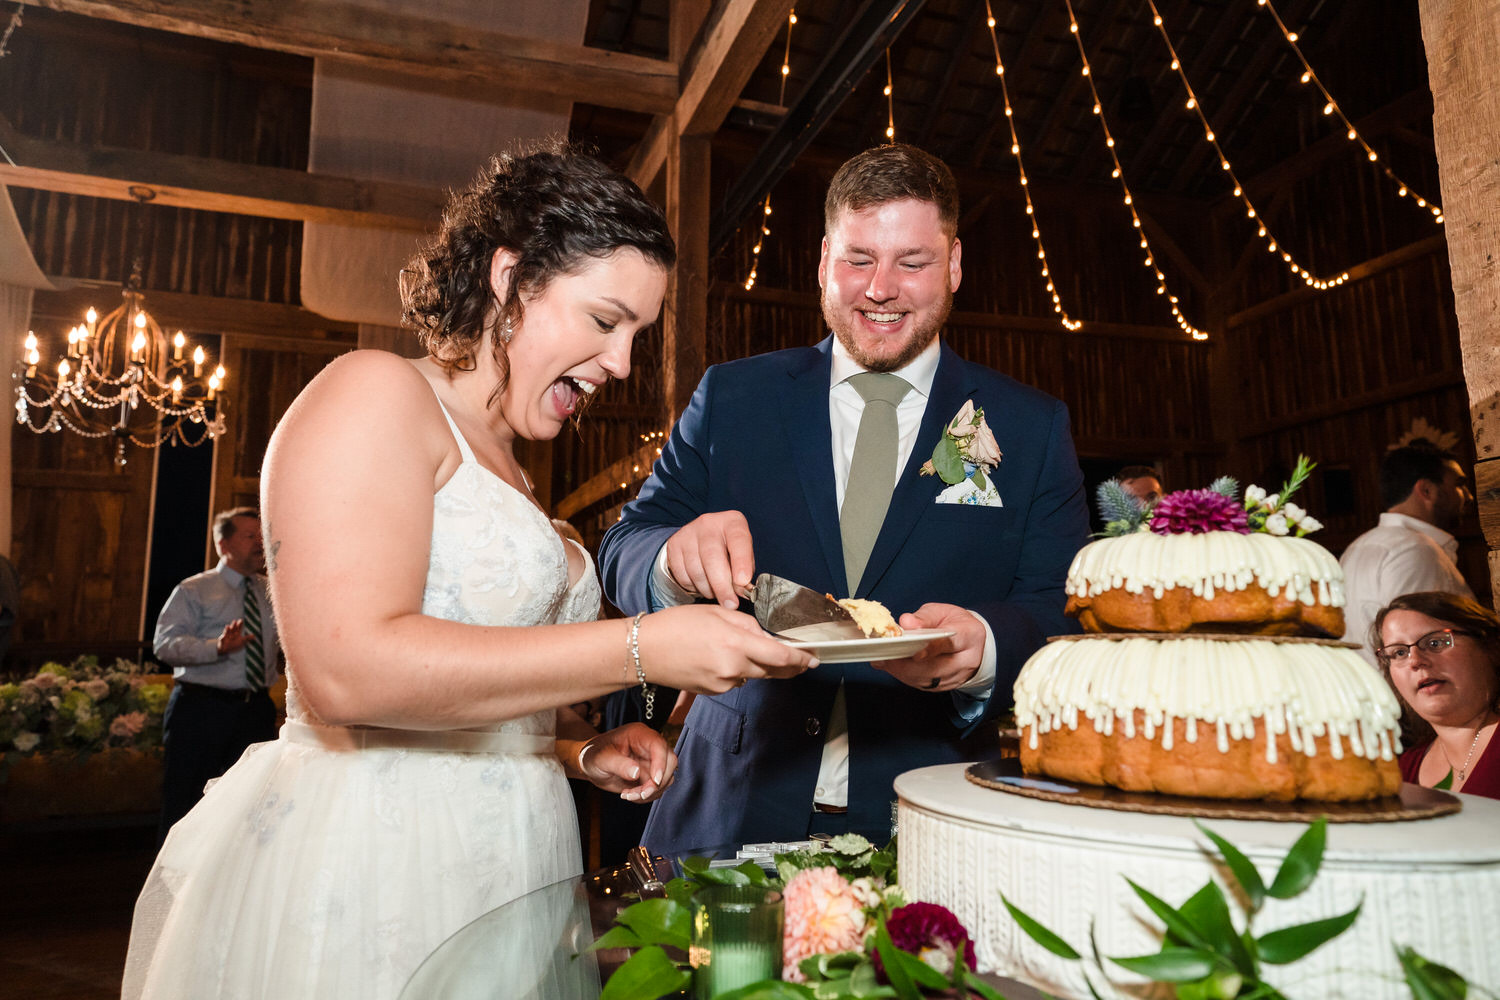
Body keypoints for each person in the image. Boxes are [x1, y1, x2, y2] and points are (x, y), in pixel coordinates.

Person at [123, 145, 815, 1000]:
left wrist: (574, 748)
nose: (624, 365)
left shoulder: (518, 471)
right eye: (606, 321)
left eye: (638, 335)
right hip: (379, 870)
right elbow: (347, 674)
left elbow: (471, 699)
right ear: (511, 277)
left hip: (513, 873)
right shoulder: (374, 392)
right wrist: (638, 647)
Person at [598, 143, 1089, 854]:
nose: (879, 288)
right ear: (824, 260)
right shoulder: (735, 397)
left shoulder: (1031, 427)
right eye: (859, 259)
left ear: (953, 265)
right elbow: (624, 542)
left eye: (912, 263)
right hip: (731, 808)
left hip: (930, 821)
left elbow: (1061, 613)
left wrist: (982, 648)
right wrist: (671, 557)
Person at [152, 507, 279, 843]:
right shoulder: (194, 590)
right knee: (187, 800)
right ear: (223, 545)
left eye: (261, 535)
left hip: (256, 711)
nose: (258, 543)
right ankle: (175, 885)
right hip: (202, 710)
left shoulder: (272, 592)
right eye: (249, 536)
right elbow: (164, 646)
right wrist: (217, 648)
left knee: (248, 802)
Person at [1341, 443, 1474, 665]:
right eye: (1460, 485)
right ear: (1427, 491)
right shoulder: (1414, 549)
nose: (1468, 496)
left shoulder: (1356, 547)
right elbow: (1422, 653)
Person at [1372, 591, 1499, 799]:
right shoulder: (1401, 774)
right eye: (1399, 653)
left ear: (1488, 646)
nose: (1415, 661)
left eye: (1435, 643)